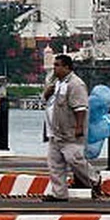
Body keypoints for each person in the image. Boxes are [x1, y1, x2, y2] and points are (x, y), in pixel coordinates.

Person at [42, 54, 100, 201]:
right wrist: (47, 94)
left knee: (74, 159)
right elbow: (48, 103)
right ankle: (59, 194)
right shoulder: (55, 83)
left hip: (69, 131)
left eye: (57, 65)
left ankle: (94, 178)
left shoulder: (75, 84)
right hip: (55, 131)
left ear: (67, 67)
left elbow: (81, 108)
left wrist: (79, 127)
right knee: (55, 164)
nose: (54, 68)